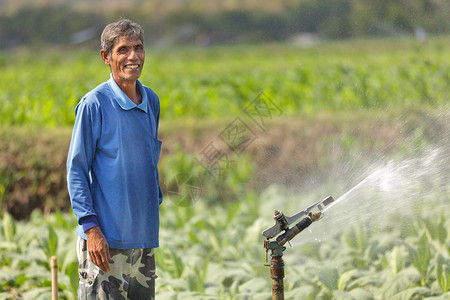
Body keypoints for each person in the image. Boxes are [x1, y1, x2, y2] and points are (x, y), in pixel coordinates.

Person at [66, 19, 163, 300]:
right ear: (106, 57)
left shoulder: (151, 101)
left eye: (138, 48)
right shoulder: (94, 104)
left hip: (142, 242)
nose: (133, 57)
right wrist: (91, 229)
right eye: (123, 50)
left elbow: (147, 160)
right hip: (104, 244)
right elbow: (77, 170)